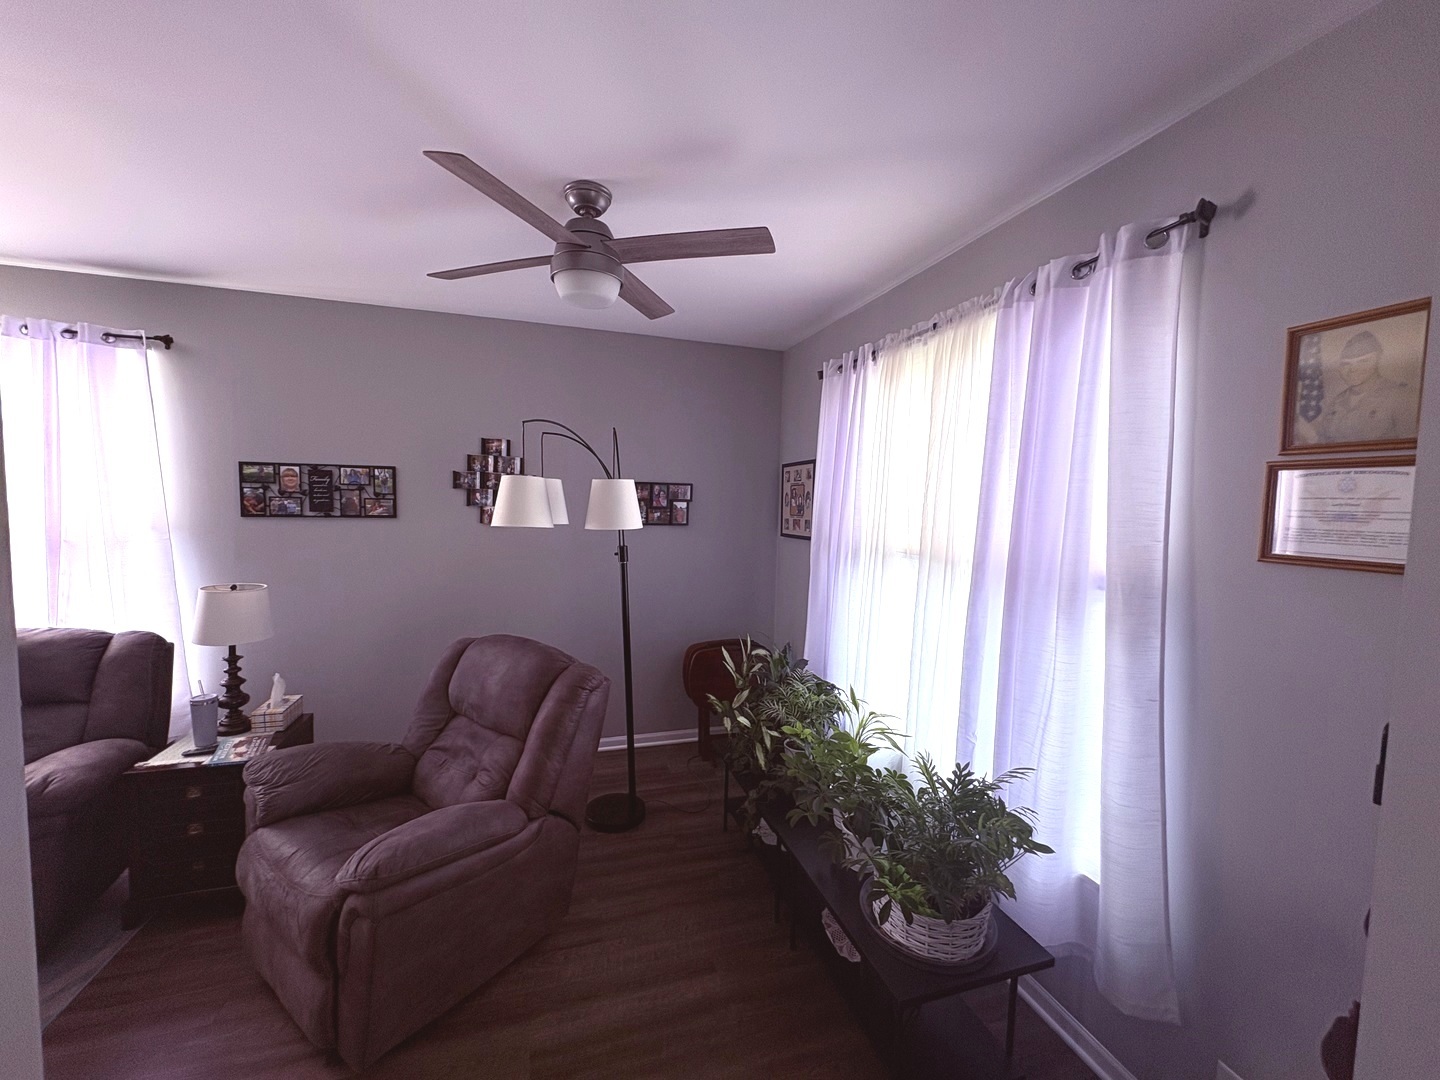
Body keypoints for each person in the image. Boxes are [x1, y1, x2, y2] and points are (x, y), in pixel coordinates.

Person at [1309, 330, 1420, 444]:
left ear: (1378, 360)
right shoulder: (1336, 402)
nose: (1353, 369)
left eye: (1363, 361)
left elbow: (1413, 447)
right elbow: (1322, 445)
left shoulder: (1400, 396)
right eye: (1346, 363)